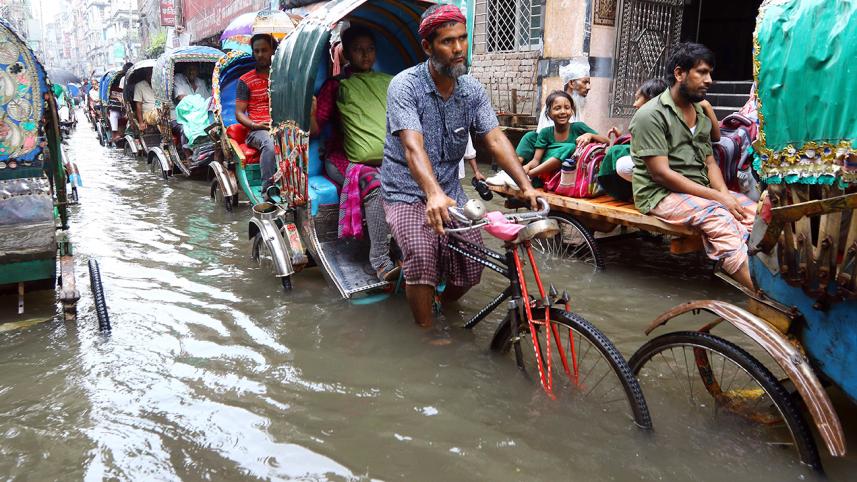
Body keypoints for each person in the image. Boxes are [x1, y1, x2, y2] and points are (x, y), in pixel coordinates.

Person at [382, 5, 538, 328]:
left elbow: (495, 139)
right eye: (447, 41)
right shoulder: (405, 85)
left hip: (451, 191)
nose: (458, 49)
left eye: (462, 39)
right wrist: (433, 194)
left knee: (474, 262)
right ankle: (426, 334)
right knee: (422, 255)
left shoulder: (472, 90)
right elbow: (413, 147)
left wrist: (525, 185)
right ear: (427, 47)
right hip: (406, 192)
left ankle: (435, 297)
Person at [630, 42, 756, 289]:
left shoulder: (700, 112)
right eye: (702, 72)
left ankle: (776, 284)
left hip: (699, 192)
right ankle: (764, 298)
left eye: (710, 73)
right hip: (660, 194)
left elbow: (710, 161)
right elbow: (661, 175)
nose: (709, 80)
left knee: (756, 214)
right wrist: (719, 199)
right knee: (719, 217)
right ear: (679, 73)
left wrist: (724, 195)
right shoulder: (650, 115)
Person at [310, 25, 399, 281]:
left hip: (388, 157)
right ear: (347, 54)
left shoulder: (388, 82)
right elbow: (315, 130)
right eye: (358, 50)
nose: (366, 55)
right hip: (342, 159)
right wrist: (311, 112)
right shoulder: (335, 86)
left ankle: (406, 250)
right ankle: (380, 261)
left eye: (370, 49)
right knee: (375, 184)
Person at [521, 90, 609, 181]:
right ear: (549, 113)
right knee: (530, 136)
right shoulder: (545, 132)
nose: (563, 111)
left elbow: (607, 141)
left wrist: (590, 135)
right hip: (545, 173)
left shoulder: (579, 127)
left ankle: (531, 175)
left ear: (572, 111)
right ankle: (523, 173)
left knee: (570, 147)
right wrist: (527, 167)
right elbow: (536, 160)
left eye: (567, 108)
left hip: (567, 174)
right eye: (557, 108)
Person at [236, 34, 278, 196]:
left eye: (264, 50)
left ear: (272, 51)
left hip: (281, 126)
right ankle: (267, 189)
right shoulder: (245, 80)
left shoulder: (281, 77)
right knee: (270, 145)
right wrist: (255, 125)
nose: (260, 54)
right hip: (257, 130)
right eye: (257, 51)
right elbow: (239, 112)